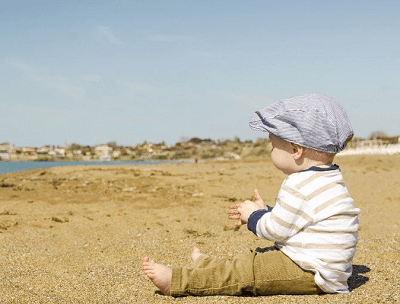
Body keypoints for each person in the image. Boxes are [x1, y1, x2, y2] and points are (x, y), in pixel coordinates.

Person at [142, 93, 360, 296]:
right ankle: (208, 265)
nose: (271, 150)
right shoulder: (329, 178)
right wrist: (267, 212)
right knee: (256, 258)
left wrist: (253, 217)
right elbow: (300, 220)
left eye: (274, 146)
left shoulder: (298, 184)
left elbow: (275, 231)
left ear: (295, 150)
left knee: (248, 271)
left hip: (311, 272)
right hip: (328, 270)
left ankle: (178, 281)